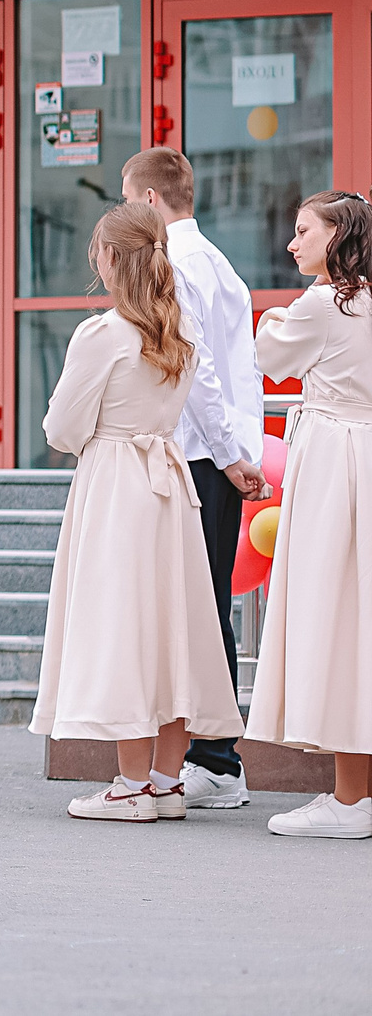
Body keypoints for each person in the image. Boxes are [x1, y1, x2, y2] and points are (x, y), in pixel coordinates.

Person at [28, 203, 243, 823]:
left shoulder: (103, 334)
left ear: (111, 259)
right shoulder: (180, 331)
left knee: (125, 624)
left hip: (118, 484)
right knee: (172, 628)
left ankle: (129, 786)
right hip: (170, 483)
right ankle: (167, 783)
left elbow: (61, 428)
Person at [119, 147, 270, 807]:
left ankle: (216, 761)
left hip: (199, 457)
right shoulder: (218, 261)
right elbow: (242, 368)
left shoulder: (176, 262)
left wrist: (230, 454)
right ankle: (211, 756)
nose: (125, 212)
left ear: (150, 200)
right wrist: (241, 447)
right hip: (217, 453)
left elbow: (196, 365)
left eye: (129, 199)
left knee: (197, 609)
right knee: (206, 606)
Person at [247, 191, 372, 839]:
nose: (293, 243)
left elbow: (269, 357)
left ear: (337, 236)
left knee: (335, 617)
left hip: (334, 462)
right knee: (360, 618)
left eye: (304, 231)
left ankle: (351, 800)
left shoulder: (327, 302)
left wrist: (272, 317)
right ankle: (355, 793)